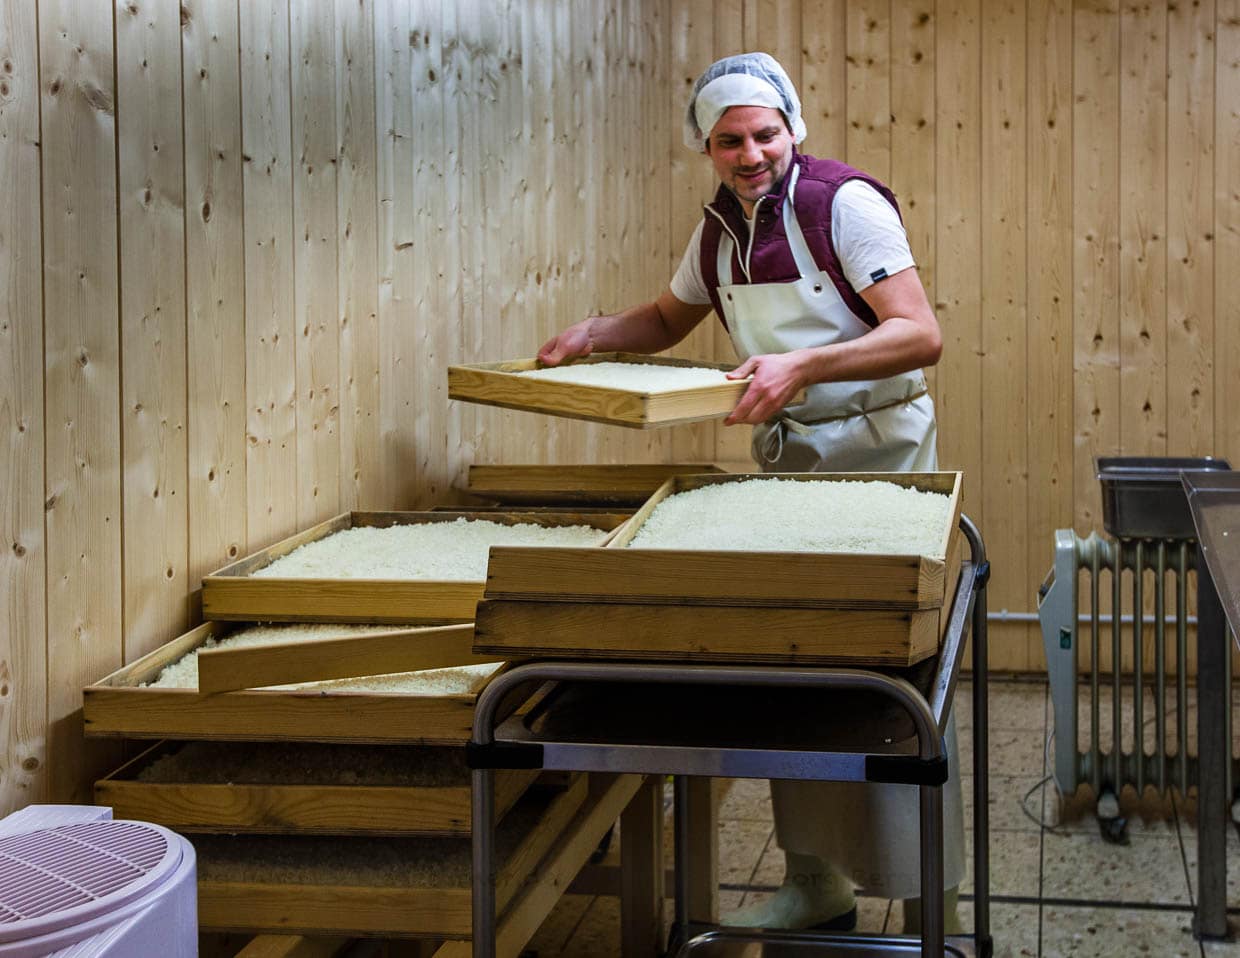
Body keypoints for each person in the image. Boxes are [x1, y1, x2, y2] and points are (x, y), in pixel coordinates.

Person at [538, 52, 964, 934]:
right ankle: (818, 883)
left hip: (883, 462)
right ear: (706, 147)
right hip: (793, 471)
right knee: (797, 664)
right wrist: (593, 332)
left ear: (793, 129)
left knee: (891, 681)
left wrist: (803, 363)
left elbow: (920, 335)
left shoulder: (844, 206)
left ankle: (928, 897)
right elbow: (665, 319)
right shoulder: (717, 232)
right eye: (729, 139)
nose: (750, 153)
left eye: (765, 134)